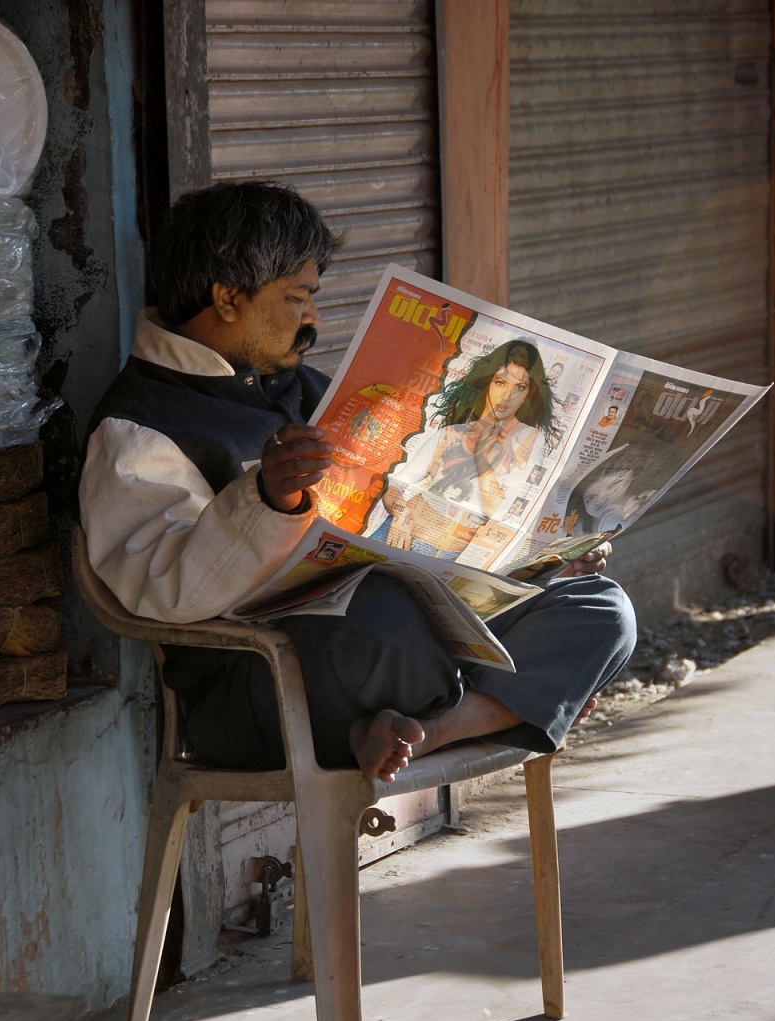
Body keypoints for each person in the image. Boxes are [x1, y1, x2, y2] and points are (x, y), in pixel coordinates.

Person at [79, 180, 636, 784]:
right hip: (265, 686)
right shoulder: (138, 429)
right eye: (298, 298)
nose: (313, 318)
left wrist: (545, 556)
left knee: (601, 609)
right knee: (388, 621)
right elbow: (161, 591)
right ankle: (518, 701)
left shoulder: (303, 389)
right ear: (228, 297)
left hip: (394, 650)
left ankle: (424, 733)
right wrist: (267, 501)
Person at [372, 340, 560, 555]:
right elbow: (396, 485)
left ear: (530, 393)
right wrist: (401, 514)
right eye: (500, 382)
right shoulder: (453, 432)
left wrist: (481, 456)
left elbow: (497, 510)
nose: (507, 395)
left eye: (519, 387)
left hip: (442, 552)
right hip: (397, 531)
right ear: (487, 382)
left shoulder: (528, 439)